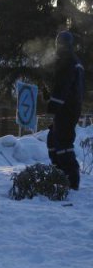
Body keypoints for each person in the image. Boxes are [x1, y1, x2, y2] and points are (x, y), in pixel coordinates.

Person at [46, 30, 85, 190]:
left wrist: (53, 104)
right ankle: (60, 175)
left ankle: (71, 179)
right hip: (69, 108)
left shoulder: (68, 61)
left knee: (63, 143)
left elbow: (64, 87)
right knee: (52, 140)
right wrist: (49, 94)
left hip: (66, 110)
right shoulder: (73, 61)